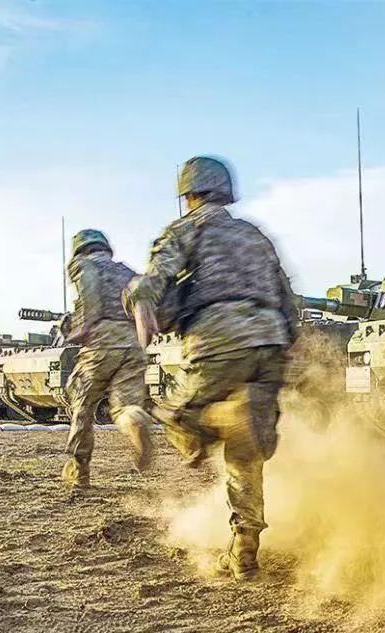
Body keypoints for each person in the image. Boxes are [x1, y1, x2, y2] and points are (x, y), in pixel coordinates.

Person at [125, 155, 298, 581]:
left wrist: (139, 304)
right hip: (270, 341)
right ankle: (244, 552)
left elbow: (153, 282)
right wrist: (283, 349)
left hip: (218, 338)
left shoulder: (186, 229)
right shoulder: (254, 235)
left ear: (188, 194)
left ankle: (216, 420)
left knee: (177, 415)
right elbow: (288, 302)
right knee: (246, 456)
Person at [62, 229, 154, 487]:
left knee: (81, 402)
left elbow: (90, 292)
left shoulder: (84, 266)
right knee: (125, 406)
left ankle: (78, 470)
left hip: (101, 342)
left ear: (80, 251)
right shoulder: (127, 272)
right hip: (132, 343)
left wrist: (83, 326)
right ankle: (135, 420)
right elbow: (145, 306)